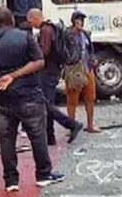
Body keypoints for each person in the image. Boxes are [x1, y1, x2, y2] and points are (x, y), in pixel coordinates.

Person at [0, 7, 65, 192]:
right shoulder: (25, 37)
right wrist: (14, 75)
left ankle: (11, 180)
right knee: (37, 135)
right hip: (28, 93)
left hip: (1, 97)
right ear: (12, 19)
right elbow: (39, 61)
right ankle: (43, 174)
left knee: (6, 138)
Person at [26, 8, 83, 145]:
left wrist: (32, 52)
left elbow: (44, 51)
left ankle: (71, 124)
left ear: (35, 18)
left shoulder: (45, 30)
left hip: (48, 72)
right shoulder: (50, 28)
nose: (30, 25)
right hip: (53, 70)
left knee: (46, 105)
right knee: (47, 104)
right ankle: (50, 137)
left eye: (30, 21)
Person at [65, 10, 100, 133]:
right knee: (72, 100)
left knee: (90, 97)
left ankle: (90, 124)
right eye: (78, 19)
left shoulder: (85, 34)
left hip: (87, 68)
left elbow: (90, 49)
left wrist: (93, 58)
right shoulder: (67, 35)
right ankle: (71, 126)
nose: (81, 22)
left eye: (82, 20)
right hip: (74, 70)